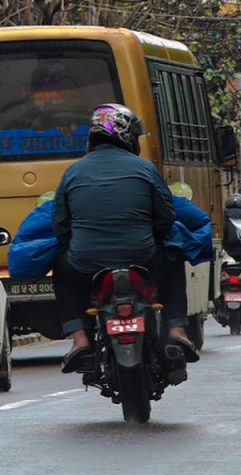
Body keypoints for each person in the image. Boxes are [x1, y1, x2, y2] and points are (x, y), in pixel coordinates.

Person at [52, 103, 197, 373]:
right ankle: (177, 330)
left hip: (85, 263)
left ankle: (80, 338)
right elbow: (166, 217)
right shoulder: (145, 168)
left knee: (61, 269)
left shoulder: (72, 172)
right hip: (142, 258)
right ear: (126, 136)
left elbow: (60, 225)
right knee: (174, 261)